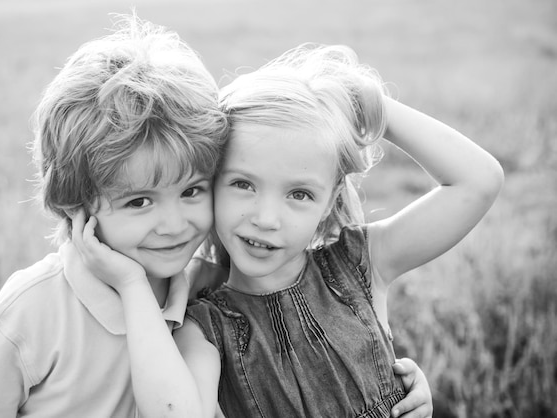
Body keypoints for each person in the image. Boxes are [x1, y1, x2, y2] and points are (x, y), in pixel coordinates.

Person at [172, 43, 503, 417]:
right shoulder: (203, 331)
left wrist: (369, 106)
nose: (266, 218)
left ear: (329, 201)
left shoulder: (358, 266)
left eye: (299, 194)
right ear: (212, 181)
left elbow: (480, 181)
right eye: (243, 184)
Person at [0, 15, 229, 417]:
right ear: (74, 202)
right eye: (139, 202)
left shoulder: (209, 289)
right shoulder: (30, 312)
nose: (174, 225)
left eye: (191, 191)